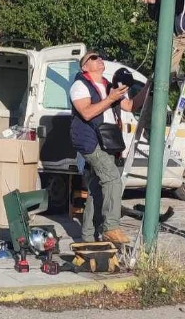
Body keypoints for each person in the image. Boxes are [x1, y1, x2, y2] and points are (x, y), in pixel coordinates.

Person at [70, 51, 133, 244]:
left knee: (96, 190)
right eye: (93, 58)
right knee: (113, 179)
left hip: (107, 141)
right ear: (84, 67)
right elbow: (87, 113)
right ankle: (111, 227)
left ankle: (88, 237)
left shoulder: (107, 85)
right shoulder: (80, 85)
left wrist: (148, 87)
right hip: (89, 141)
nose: (99, 60)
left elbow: (129, 106)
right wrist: (110, 99)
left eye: (99, 57)